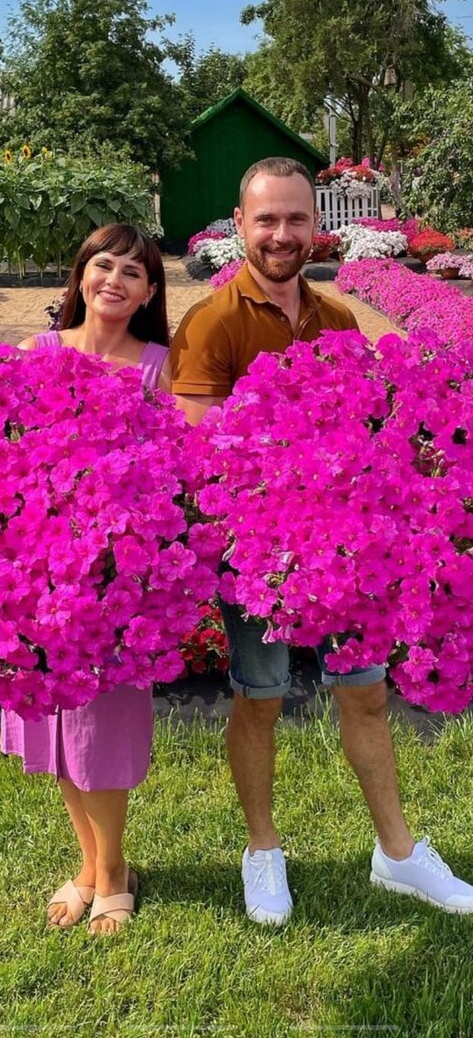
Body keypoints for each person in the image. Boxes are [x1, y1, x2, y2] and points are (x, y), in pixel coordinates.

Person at [171, 156, 473, 925]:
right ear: (240, 225)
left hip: (350, 554)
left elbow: (368, 429)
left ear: (317, 227)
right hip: (259, 563)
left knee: (366, 695)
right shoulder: (211, 322)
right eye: (266, 219)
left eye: (296, 219)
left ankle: (397, 853)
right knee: (260, 700)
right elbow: (200, 454)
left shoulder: (336, 319)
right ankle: (263, 850)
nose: (282, 234)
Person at [0, 223, 171, 935]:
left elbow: (176, 471)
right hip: (36, 582)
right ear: (80, 275)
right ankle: (92, 865)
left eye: (134, 272)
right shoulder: (34, 356)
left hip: (117, 590)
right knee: (58, 728)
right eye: (104, 265)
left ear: (150, 293)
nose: (115, 280)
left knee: (99, 734)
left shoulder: (157, 368)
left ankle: (112, 870)